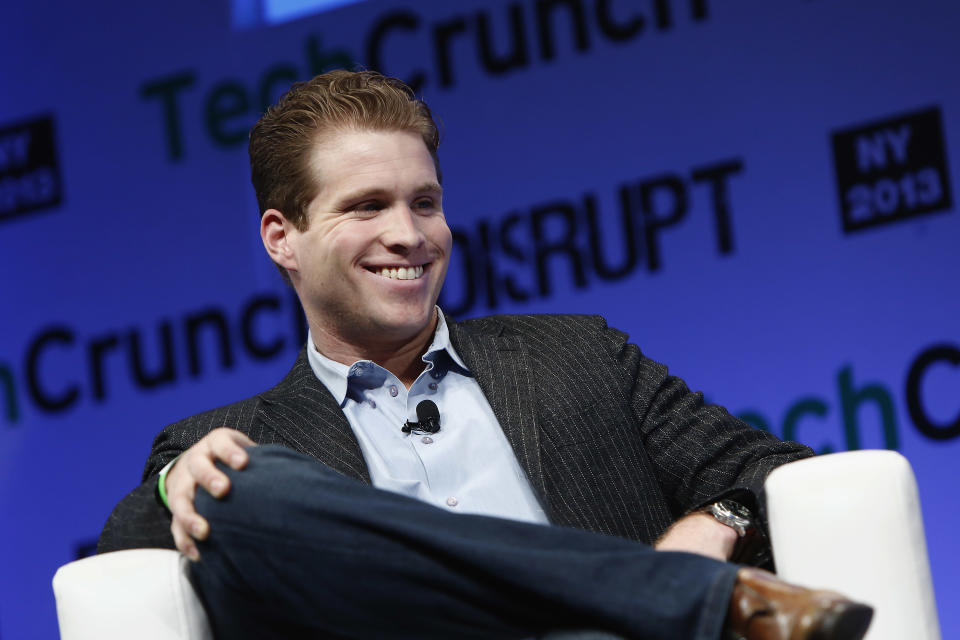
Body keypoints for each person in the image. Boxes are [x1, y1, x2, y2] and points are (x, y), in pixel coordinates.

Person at [98, 70, 873, 640]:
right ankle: (678, 599)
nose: (409, 235)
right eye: (367, 206)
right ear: (281, 238)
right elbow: (119, 556)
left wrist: (720, 518)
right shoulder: (230, 435)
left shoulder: (578, 357)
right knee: (241, 480)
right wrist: (175, 485)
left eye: (424, 203)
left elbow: (770, 469)